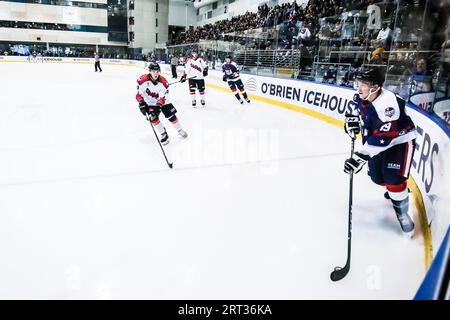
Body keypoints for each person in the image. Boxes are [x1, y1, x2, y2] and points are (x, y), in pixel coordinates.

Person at [343, 67, 417, 235]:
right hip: (377, 143)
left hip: (400, 142)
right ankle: (397, 191)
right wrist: (350, 124)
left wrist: (360, 156)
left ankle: (403, 213)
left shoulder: (388, 104)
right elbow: (353, 114)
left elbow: (387, 135)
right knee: (377, 178)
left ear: (375, 87)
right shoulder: (360, 97)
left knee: (393, 179)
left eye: (364, 84)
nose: (359, 87)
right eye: (358, 83)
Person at [135, 62, 188, 145]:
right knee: (153, 118)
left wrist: (158, 105)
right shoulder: (142, 80)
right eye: (153, 71)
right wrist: (141, 103)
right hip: (149, 102)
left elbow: (163, 98)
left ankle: (179, 129)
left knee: (171, 115)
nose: (156, 73)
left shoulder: (163, 82)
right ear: (149, 71)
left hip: (163, 102)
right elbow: (138, 94)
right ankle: (163, 134)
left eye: (157, 71)